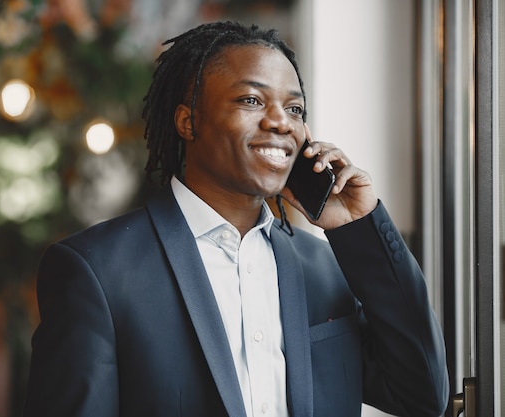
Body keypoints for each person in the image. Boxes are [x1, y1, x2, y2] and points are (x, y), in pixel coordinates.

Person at [23, 21, 449, 417]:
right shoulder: (96, 271)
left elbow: (422, 393)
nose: (281, 122)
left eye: (295, 109)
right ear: (188, 121)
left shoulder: (325, 269)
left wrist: (362, 227)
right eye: (251, 100)